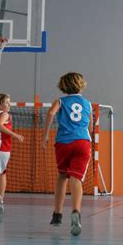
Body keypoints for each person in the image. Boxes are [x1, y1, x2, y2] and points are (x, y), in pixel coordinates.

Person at [43, 72, 92, 236]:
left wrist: (46, 135)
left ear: (63, 85)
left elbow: (50, 113)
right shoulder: (87, 103)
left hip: (63, 142)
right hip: (82, 142)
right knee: (76, 178)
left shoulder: (61, 101)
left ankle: (57, 214)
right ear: (81, 84)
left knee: (62, 176)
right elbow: (91, 126)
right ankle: (76, 211)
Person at [0, 93, 24, 214]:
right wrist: (15, 134)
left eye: (9, 102)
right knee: (2, 173)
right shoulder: (5, 114)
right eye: (6, 103)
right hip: (4, 149)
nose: (9, 105)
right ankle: (0, 199)